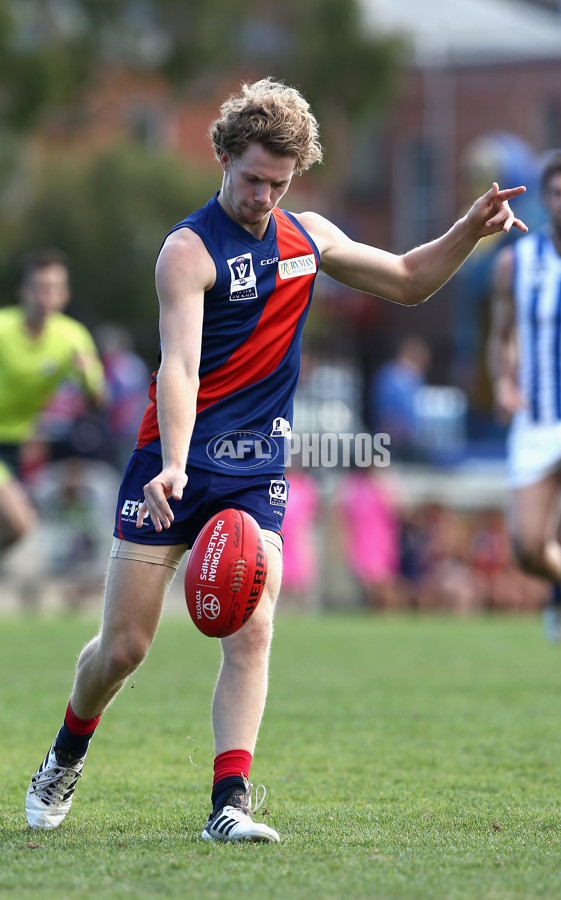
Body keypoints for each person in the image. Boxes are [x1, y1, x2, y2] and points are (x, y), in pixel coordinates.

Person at [25, 77, 527, 841]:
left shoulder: (309, 238)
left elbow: (410, 281)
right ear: (223, 156)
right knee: (123, 648)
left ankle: (229, 802)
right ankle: (67, 749)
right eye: (252, 178)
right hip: (171, 464)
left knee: (254, 625)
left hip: (257, 468)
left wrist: (469, 227)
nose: (264, 196)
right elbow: (180, 368)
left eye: (279, 183)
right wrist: (175, 463)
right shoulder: (187, 251)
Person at [488, 151, 561, 696]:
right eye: (557, 193)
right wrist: (504, 381)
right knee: (529, 548)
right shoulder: (516, 262)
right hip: (535, 420)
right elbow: (501, 335)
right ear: (545, 197)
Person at [0, 249, 105, 556]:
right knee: (20, 522)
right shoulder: (3, 329)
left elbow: (100, 402)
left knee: (14, 529)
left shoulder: (72, 337)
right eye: (38, 287)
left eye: (54, 288)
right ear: (24, 291)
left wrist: (89, 379)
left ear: (65, 294)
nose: (45, 296)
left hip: (16, 446)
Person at [370, 335, 431, 460]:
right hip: (393, 444)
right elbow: (385, 415)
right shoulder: (389, 377)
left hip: (412, 441)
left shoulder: (417, 379)